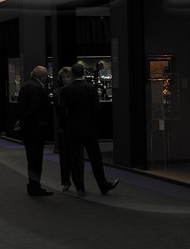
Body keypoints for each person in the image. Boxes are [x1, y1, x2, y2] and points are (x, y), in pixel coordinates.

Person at [57, 62, 118, 196]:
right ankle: (103, 185)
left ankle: (80, 187)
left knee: (74, 159)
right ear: (83, 73)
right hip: (89, 129)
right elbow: (97, 109)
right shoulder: (90, 88)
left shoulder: (66, 90)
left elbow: (62, 112)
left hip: (73, 129)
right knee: (95, 159)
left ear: (72, 74)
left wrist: (67, 126)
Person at [17, 66, 54, 197]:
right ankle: (35, 187)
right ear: (42, 77)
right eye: (46, 76)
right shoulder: (38, 88)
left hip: (28, 130)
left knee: (31, 159)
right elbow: (34, 109)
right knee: (36, 160)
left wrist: (21, 123)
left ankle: (33, 186)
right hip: (36, 129)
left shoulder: (25, 85)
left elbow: (22, 107)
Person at [53, 67, 77, 192]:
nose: (66, 80)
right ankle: (66, 181)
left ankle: (78, 182)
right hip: (63, 128)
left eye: (68, 77)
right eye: (63, 78)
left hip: (75, 128)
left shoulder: (76, 90)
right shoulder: (57, 93)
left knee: (76, 157)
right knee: (64, 157)